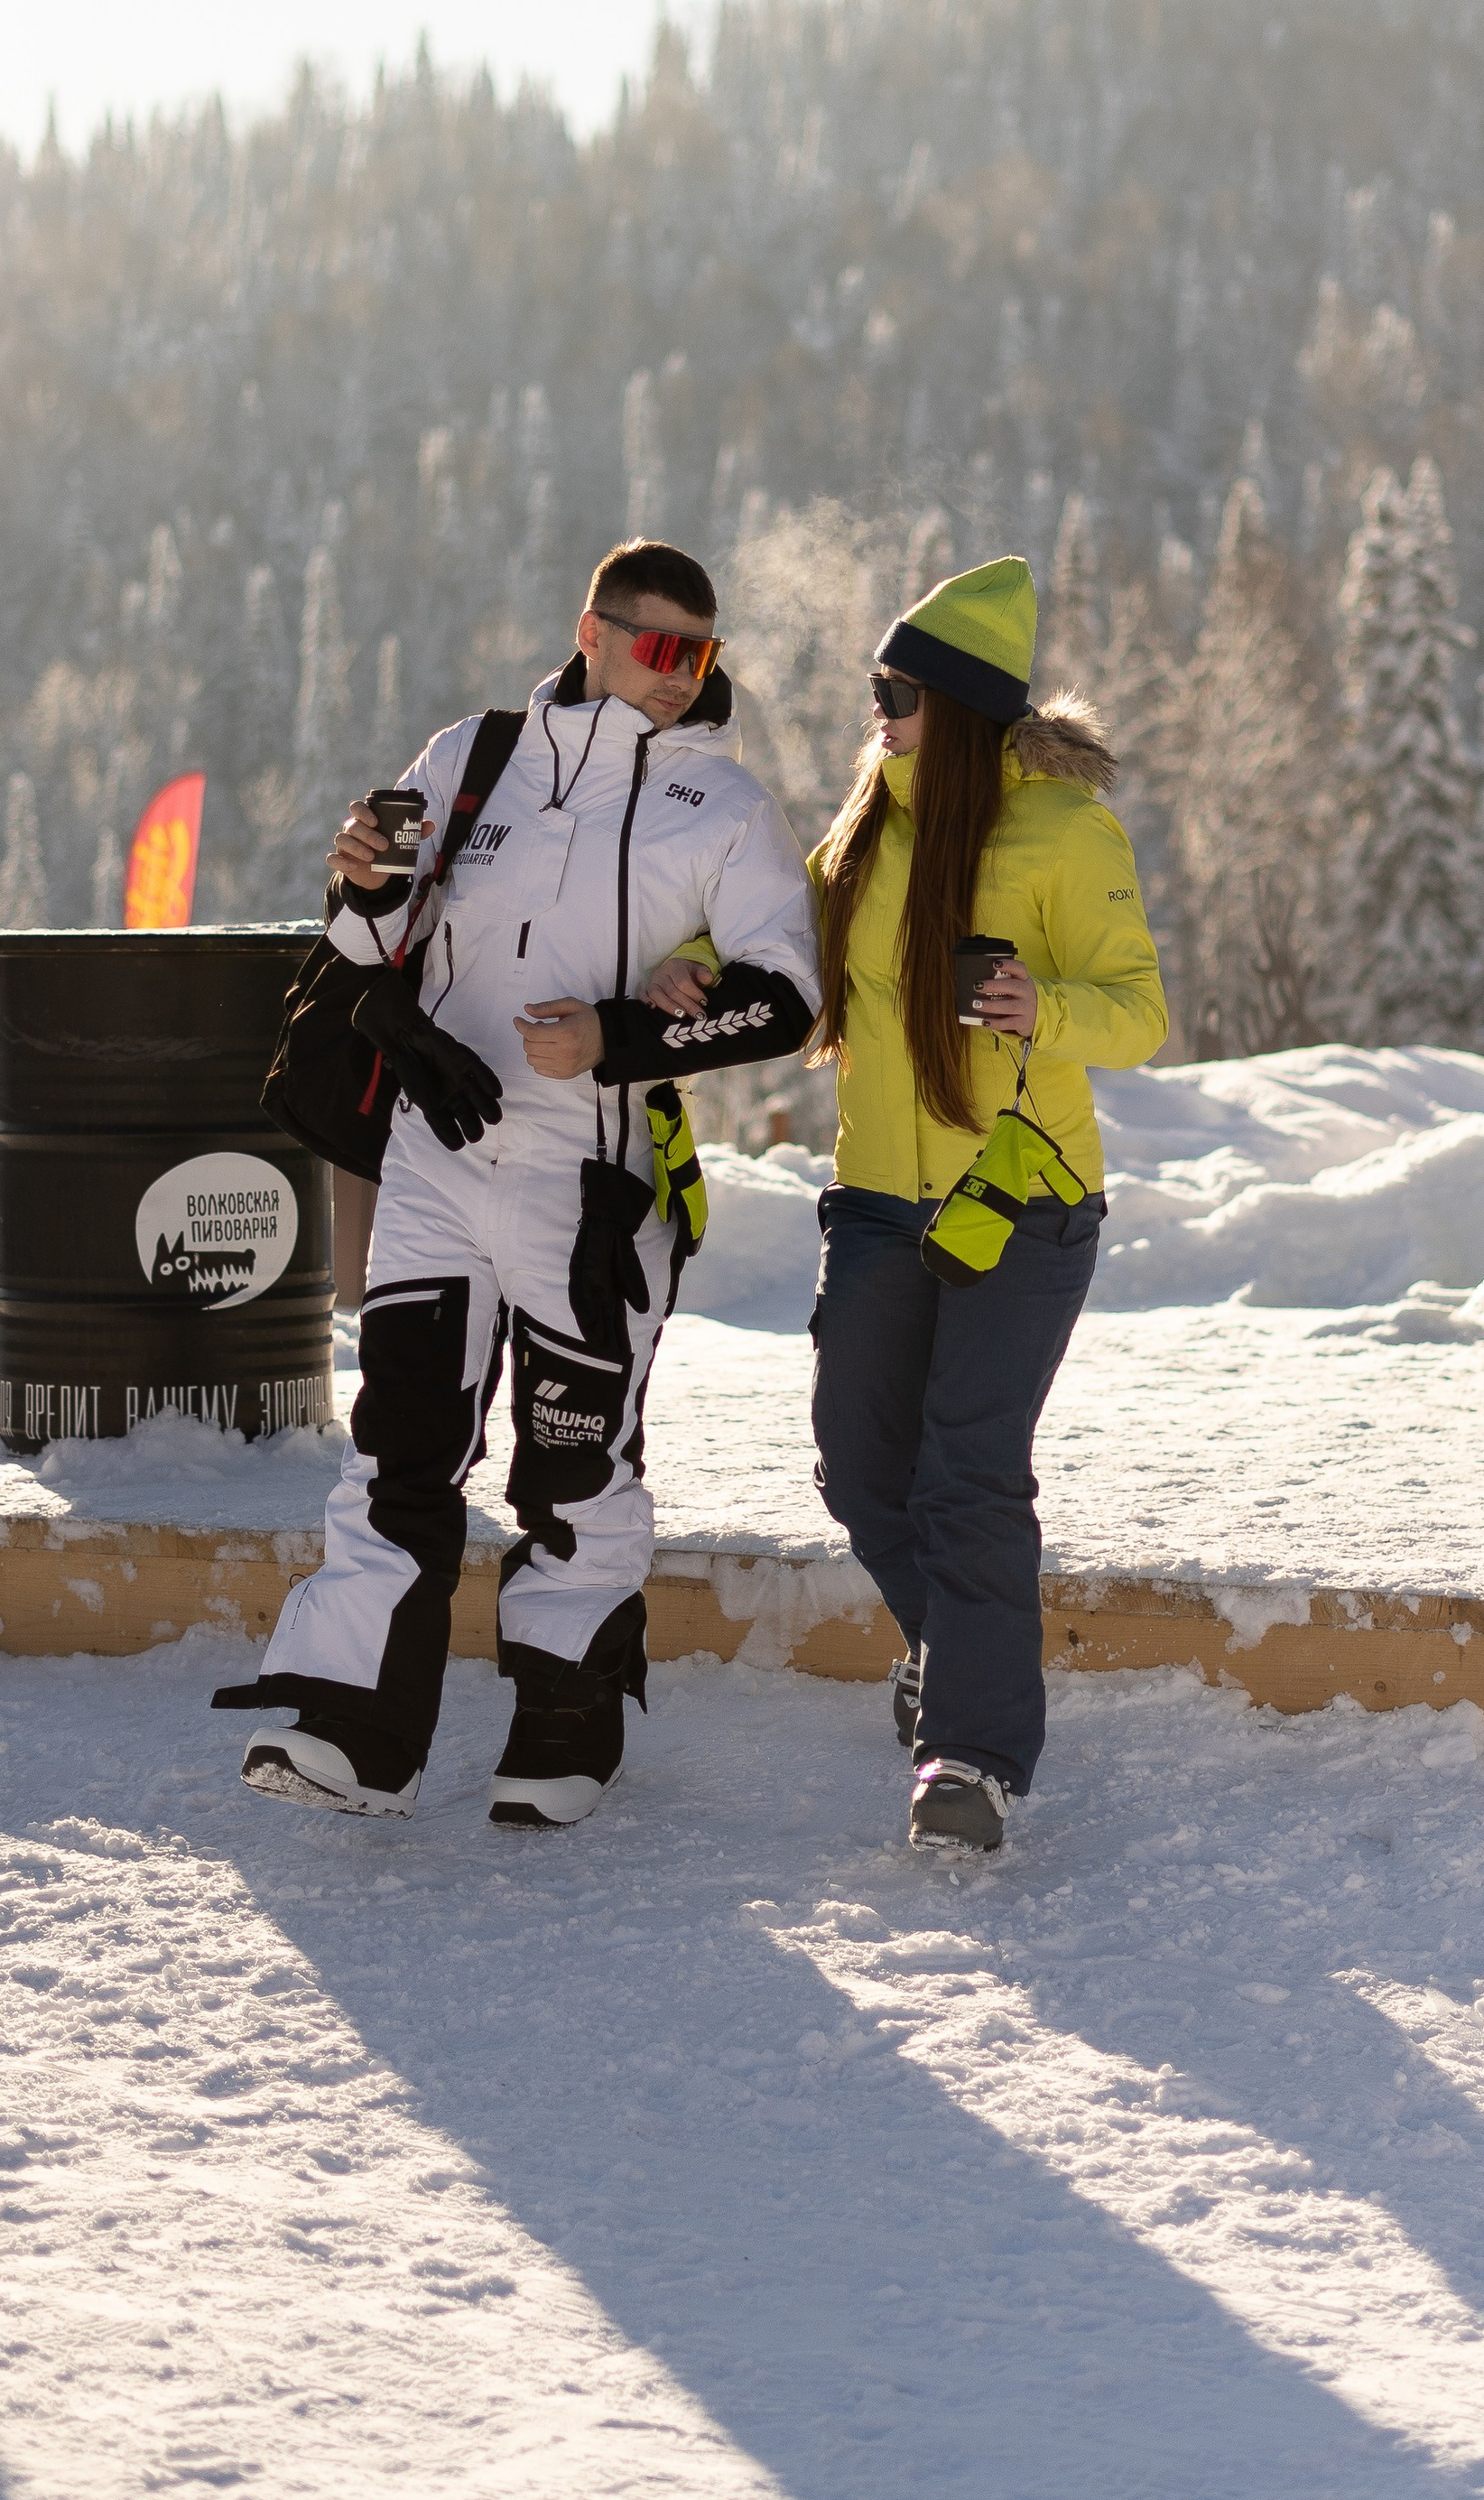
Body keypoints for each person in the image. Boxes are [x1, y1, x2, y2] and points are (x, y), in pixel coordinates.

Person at [217, 539, 821, 1828]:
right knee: (400, 1443)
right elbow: (372, 935)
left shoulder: (721, 805)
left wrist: (621, 1036)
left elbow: (787, 1001)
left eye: (701, 657)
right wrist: (363, 878)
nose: (678, 677)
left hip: (590, 1176)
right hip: (441, 1154)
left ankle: (564, 1726)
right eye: (658, 648)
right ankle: (355, 1732)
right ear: (591, 631)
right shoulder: (472, 758)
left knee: (572, 1468)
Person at [665, 554, 1165, 1854]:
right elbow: (778, 941)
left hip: (1024, 1198)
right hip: (882, 1202)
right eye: (876, 685)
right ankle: (959, 1654)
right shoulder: (865, 831)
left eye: (900, 689)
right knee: (860, 1460)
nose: (877, 708)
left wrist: (1041, 1012)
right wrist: (689, 968)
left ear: (962, 706)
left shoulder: (1061, 832)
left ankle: (972, 1757)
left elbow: (1143, 1012)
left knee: (968, 1473)